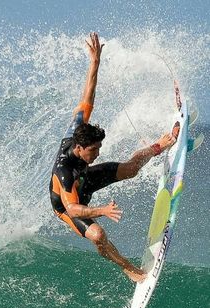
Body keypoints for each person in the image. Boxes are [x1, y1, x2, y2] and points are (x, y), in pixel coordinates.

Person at [49, 33, 178, 282]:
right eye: (94, 150)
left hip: (86, 181)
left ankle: (160, 144)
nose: (98, 153)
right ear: (79, 147)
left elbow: (87, 97)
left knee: (130, 169)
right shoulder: (65, 171)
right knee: (98, 235)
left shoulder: (77, 131)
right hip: (69, 206)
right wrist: (102, 210)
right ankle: (127, 267)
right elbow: (74, 209)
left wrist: (94, 62)